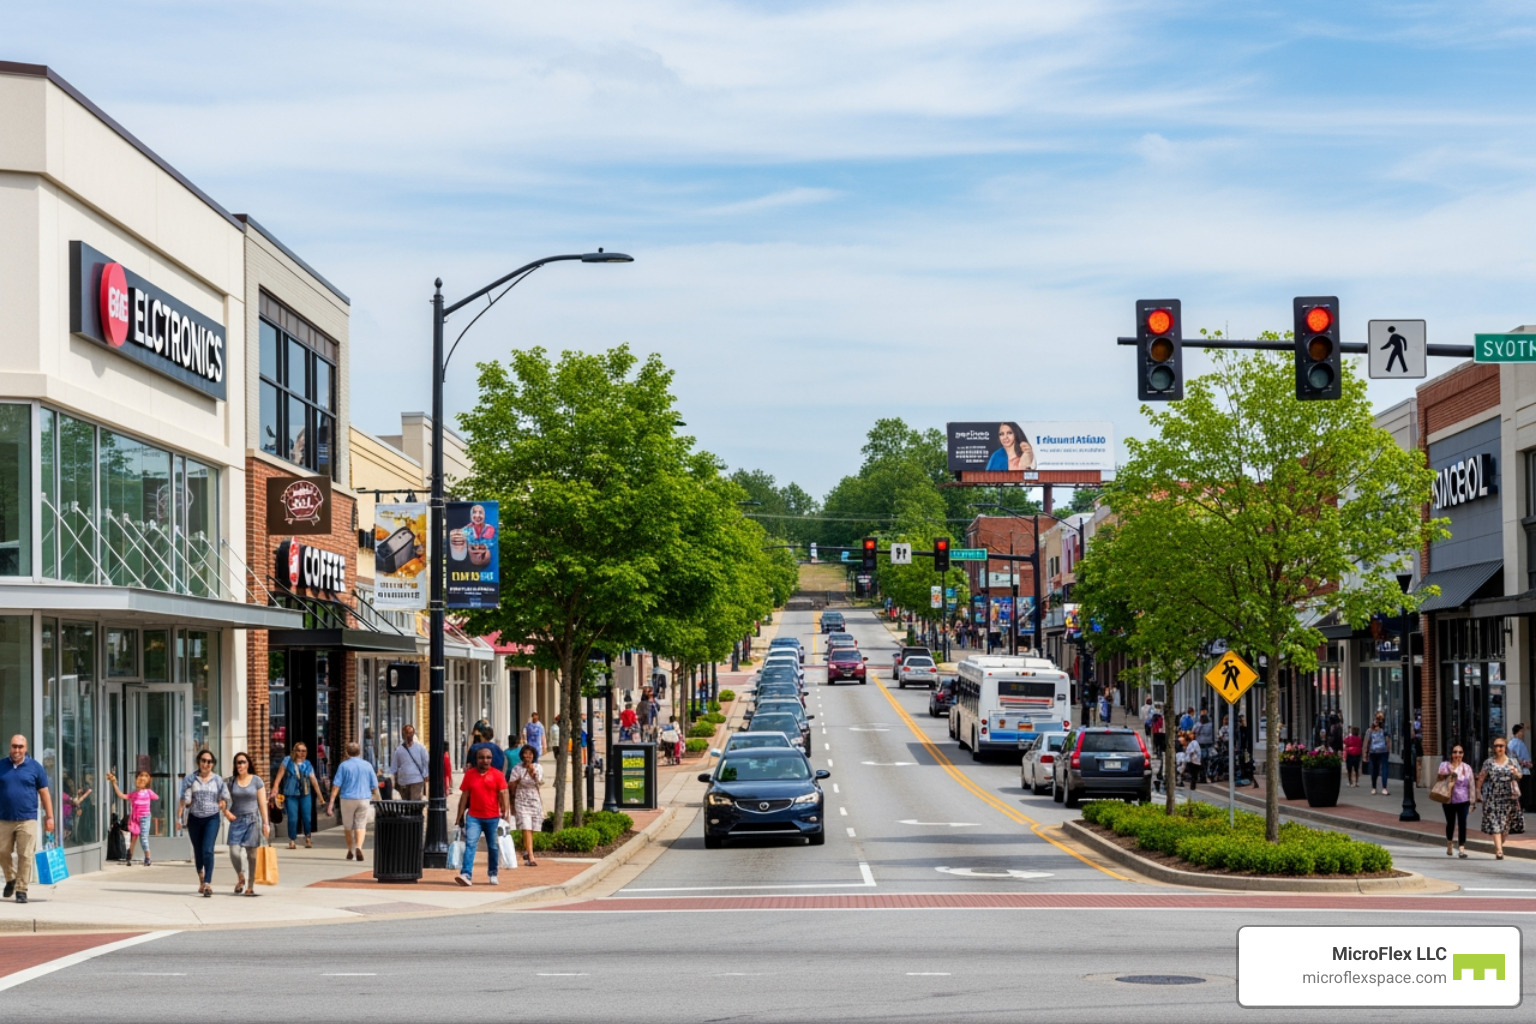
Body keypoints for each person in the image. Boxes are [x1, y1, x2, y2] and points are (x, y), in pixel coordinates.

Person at [0, 735, 54, 904]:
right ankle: (10, 879)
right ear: (10, 747)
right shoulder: (2, 766)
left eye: (20, 747)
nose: (17, 750)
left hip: (28, 818)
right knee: (2, 852)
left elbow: (44, 793)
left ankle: (21, 889)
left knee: (25, 855)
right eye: (14, 746)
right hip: (4, 818)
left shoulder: (35, 767)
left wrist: (50, 817)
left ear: (26, 748)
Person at [453, 745, 510, 886]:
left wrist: (506, 811)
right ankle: (466, 874)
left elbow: (503, 793)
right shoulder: (470, 775)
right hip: (474, 817)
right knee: (471, 844)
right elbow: (464, 797)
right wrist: (459, 816)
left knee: (493, 846)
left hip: (492, 817)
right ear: (476, 759)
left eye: (488, 757)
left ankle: (493, 873)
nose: (485, 760)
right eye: (482, 757)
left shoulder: (498, 775)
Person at [178, 750, 230, 898]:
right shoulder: (190, 779)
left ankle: (207, 882)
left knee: (208, 849)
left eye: (209, 761)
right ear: (198, 762)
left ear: (213, 764)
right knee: (198, 850)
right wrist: (179, 817)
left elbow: (225, 797)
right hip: (195, 818)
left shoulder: (218, 780)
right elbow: (183, 799)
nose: (206, 764)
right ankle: (201, 876)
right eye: (203, 760)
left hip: (212, 818)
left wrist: (223, 803)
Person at [327, 741, 381, 862]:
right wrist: (379, 800)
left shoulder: (343, 766)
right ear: (359, 752)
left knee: (348, 825)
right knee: (361, 824)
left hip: (347, 799)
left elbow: (336, 786)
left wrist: (331, 803)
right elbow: (374, 786)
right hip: (363, 798)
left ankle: (351, 850)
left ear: (347, 752)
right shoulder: (367, 765)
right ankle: (359, 847)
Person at [224, 752, 270, 894]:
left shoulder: (256, 781)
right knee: (234, 851)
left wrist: (265, 823)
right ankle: (241, 876)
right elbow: (220, 799)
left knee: (252, 855)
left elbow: (262, 803)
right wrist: (226, 812)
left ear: (248, 763)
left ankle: (250, 886)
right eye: (238, 762)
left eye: (243, 762)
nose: (241, 765)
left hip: (252, 820)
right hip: (236, 820)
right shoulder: (230, 781)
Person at [1476, 736, 1526, 859]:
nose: (1498, 748)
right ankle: (1499, 851)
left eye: (1501, 746)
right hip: (1492, 798)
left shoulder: (1512, 762)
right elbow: (1481, 778)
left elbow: (1520, 776)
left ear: (1505, 747)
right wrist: (1478, 791)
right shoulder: (1489, 762)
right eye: (1496, 746)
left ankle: (1499, 845)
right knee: (1495, 824)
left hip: (1508, 799)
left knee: (1505, 827)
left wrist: (1516, 772)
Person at [271, 741, 322, 849]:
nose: (301, 753)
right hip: (290, 793)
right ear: (295, 751)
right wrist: (275, 789)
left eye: (304, 751)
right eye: (299, 750)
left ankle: (307, 837)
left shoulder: (307, 764)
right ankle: (292, 840)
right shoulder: (287, 761)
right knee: (292, 818)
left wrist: (320, 796)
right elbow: (279, 775)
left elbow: (313, 780)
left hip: (305, 793)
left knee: (307, 817)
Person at [106, 768, 158, 866]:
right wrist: (114, 783)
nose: (142, 779)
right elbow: (121, 795)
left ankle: (147, 858)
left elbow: (156, 797)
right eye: (140, 777)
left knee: (143, 838)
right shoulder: (133, 794)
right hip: (135, 819)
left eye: (145, 777)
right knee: (133, 838)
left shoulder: (148, 792)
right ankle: (129, 857)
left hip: (145, 818)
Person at [508, 744, 544, 867]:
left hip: (534, 799)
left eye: (530, 754)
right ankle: (531, 857)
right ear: (522, 755)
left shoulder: (538, 767)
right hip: (521, 799)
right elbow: (511, 785)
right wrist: (519, 779)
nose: (527, 756)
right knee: (526, 826)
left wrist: (532, 772)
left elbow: (539, 782)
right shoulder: (516, 769)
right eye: (525, 754)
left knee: (531, 828)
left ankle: (526, 849)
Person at [1437, 745, 1474, 859]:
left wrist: (1472, 802)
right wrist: (1450, 772)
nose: (1457, 755)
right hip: (1448, 799)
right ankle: (1449, 842)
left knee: (1462, 823)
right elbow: (1439, 779)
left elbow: (1471, 785)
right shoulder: (1445, 765)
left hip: (1463, 800)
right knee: (1451, 823)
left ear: (1463, 754)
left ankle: (1462, 848)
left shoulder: (1467, 768)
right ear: (1451, 754)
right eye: (1455, 752)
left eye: (1460, 752)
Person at [389, 724, 429, 801]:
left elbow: (425, 762)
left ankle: (415, 813)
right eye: (406, 733)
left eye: (410, 733)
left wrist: (426, 774)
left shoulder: (420, 748)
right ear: (403, 735)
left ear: (413, 734)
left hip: (416, 780)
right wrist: (392, 780)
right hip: (403, 781)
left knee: (414, 802)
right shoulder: (399, 750)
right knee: (406, 803)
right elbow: (394, 767)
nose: (408, 735)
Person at [1365, 715, 1391, 795]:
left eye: (1378, 720)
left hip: (1380, 752)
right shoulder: (1371, 730)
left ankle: (1379, 788)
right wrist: (1366, 752)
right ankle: (1377, 787)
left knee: (1380, 770)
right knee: (1376, 770)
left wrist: (1388, 750)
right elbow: (1368, 742)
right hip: (1376, 752)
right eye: (1376, 720)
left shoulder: (1380, 730)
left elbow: (1387, 741)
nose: (1376, 722)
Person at [1509, 724, 1533, 810]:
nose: (1523, 733)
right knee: (1524, 789)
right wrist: (1526, 763)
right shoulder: (1519, 743)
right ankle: (1523, 806)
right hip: (1523, 770)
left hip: (1515, 770)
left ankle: (1519, 805)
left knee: (1518, 788)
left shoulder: (1510, 743)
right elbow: (1518, 758)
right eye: (1521, 731)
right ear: (1517, 733)